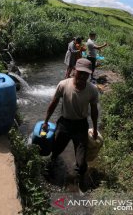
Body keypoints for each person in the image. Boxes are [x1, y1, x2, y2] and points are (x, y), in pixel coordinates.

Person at [42, 58, 99, 192]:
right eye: (81, 73)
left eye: (86, 74)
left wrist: (95, 129)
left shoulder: (92, 90)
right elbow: (53, 104)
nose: (83, 76)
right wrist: (45, 121)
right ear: (74, 70)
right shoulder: (63, 85)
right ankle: (51, 170)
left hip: (81, 126)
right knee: (55, 151)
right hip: (64, 124)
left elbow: (94, 111)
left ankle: (79, 183)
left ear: (89, 74)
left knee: (81, 161)